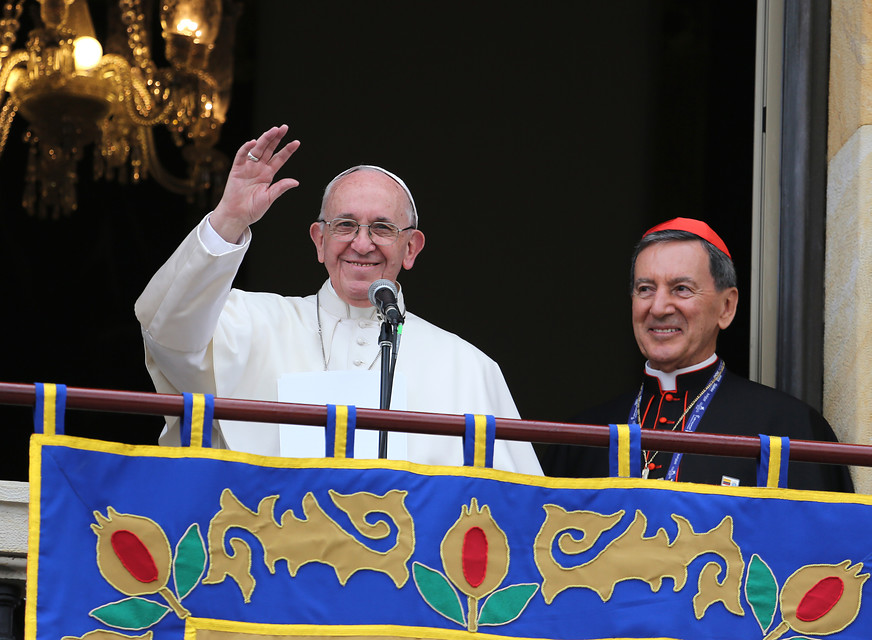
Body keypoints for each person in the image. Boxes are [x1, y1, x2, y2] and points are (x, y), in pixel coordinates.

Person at [135, 125, 542, 475]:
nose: (361, 244)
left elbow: (517, 506)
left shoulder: (467, 367)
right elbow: (166, 332)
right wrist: (229, 218)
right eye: (345, 225)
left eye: (382, 228)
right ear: (320, 240)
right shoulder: (250, 323)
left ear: (411, 248)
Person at [540, 217, 853, 491]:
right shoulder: (583, 435)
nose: (659, 308)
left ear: (726, 307)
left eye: (681, 289)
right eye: (645, 289)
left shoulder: (787, 427)